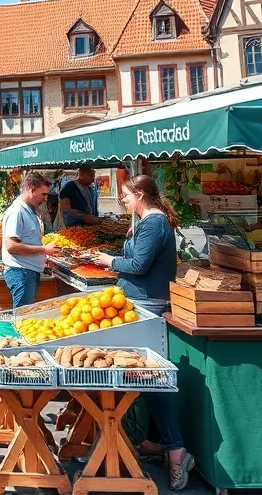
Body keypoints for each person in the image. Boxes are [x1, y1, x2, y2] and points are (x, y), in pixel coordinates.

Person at [93, 175, 193, 490]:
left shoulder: (153, 224)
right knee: (143, 377)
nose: (122, 200)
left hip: (146, 306)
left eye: (124, 196)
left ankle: (176, 451)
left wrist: (109, 260)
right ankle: (152, 442)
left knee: (148, 378)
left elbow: (137, 265)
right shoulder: (145, 222)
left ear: (139, 195)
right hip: (137, 302)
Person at [1, 171, 58, 308]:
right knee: (22, 318)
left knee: (24, 315)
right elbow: (12, 247)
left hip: (28, 272)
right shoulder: (17, 212)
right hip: (22, 273)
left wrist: (42, 260)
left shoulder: (29, 210)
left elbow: (29, 240)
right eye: (43, 194)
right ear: (32, 190)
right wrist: (44, 250)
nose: (45, 199)